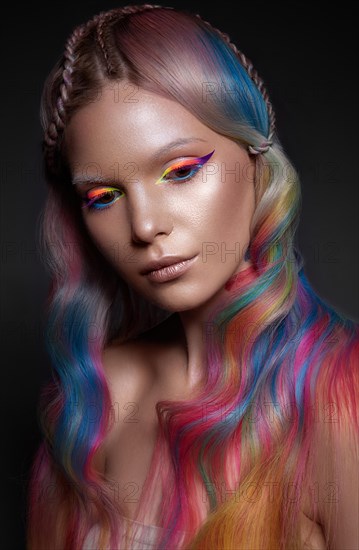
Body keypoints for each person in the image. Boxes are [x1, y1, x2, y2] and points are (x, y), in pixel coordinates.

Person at [26, 4, 358, 549]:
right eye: (103, 196)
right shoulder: (96, 398)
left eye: (181, 172)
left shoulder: (340, 397)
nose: (146, 226)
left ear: (255, 158)